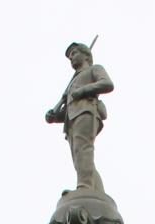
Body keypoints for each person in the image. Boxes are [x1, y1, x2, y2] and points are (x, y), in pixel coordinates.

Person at [45, 41, 114, 195]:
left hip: (87, 111)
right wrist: (54, 117)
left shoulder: (94, 70)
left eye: (74, 53)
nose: (71, 58)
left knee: (83, 150)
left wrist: (82, 90)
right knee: (79, 158)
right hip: (72, 119)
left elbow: (107, 84)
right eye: (69, 57)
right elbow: (69, 109)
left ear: (86, 55)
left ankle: (84, 187)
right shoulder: (71, 84)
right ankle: (97, 192)